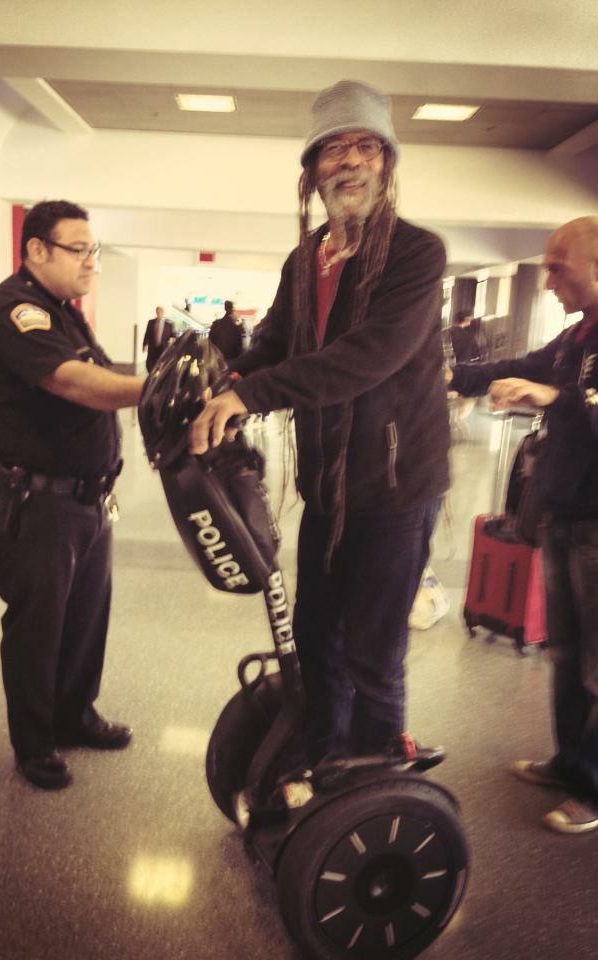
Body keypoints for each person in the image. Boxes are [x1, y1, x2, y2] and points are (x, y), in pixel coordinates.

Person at [190, 80, 450, 767]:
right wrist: (225, 381)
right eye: (334, 150)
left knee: (373, 652)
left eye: (366, 147)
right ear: (313, 172)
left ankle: (372, 783)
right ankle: (321, 762)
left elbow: (366, 358)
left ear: (386, 165)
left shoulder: (417, 254)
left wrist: (253, 396)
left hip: (396, 492)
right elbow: (276, 342)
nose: (350, 162)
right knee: (315, 636)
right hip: (327, 489)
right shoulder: (306, 259)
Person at [0, 199, 145, 790]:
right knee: (38, 626)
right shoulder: (15, 310)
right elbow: (74, 383)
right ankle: (35, 742)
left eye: (94, 249)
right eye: (79, 249)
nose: (91, 261)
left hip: (89, 500)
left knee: (86, 616)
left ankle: (75, 713)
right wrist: (153, 390)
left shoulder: (64, 310)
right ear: (37, 249)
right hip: (37, 504)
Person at [447, 215, 598, 834]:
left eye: (559, 269)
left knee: (597, 665)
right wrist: (449, 377)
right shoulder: (576, 337)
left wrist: (554, 399)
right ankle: (570, 762)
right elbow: (523, 364)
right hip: (565, 516)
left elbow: (576, 401)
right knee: (565, 654)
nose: (549, 281)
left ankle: (592, 790)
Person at [142, 305, 174, 372]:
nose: (159, 314)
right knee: (150, 363)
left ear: (163, 313)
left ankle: (159, 375)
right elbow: (147, 334)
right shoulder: (151, 322)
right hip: (153, 347)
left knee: (162, 363)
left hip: (163, 347)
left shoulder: (169, 324)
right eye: (157, 312)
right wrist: (144, 345)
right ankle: (151, 375)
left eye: (160, 312)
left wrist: (172, 342)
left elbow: (172, 335)